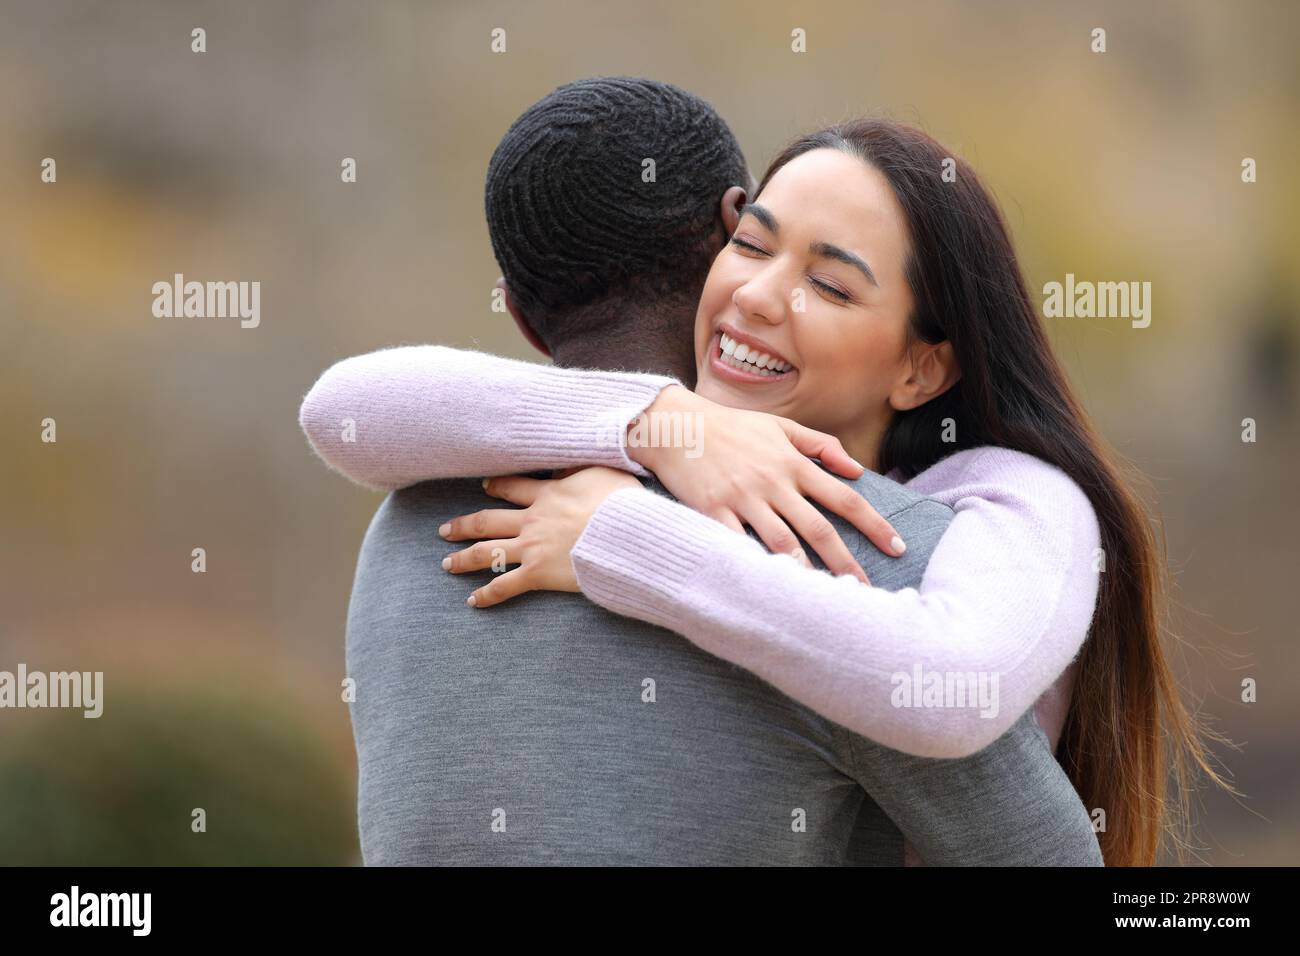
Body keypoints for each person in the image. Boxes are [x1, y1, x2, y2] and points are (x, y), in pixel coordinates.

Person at [304, 78, 1103, 865]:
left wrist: (626, 534)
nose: (759, 294)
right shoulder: (874, 558)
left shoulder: (404, 533)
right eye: (754, 246)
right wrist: (661, 426)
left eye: (828, 285)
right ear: (722, 232)